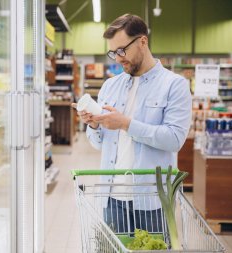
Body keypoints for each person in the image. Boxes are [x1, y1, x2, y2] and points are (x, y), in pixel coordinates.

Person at [72, 14, 192, 234]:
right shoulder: (110, 86)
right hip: (112, 197)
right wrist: (94, 125)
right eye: (113, 53)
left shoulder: (174, 85)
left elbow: (174, 139)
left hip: (153, 201)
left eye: (121, 50)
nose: (117, 59)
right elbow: (99, 144)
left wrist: (126, 124)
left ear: (142, 42)